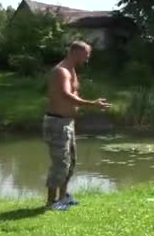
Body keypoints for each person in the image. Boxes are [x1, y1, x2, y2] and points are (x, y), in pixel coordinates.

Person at [43, 41, 111, 211]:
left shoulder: (71, 69)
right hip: (57, 122)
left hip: (67, 122)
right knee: (60, 163)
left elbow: (73, 93)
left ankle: (63, 198)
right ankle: (51, 203)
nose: (88, 58)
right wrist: (91, 104)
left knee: (71, 162)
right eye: (86, 54)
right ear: (76, 52)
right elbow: (65, 95)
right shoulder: (62, 71)